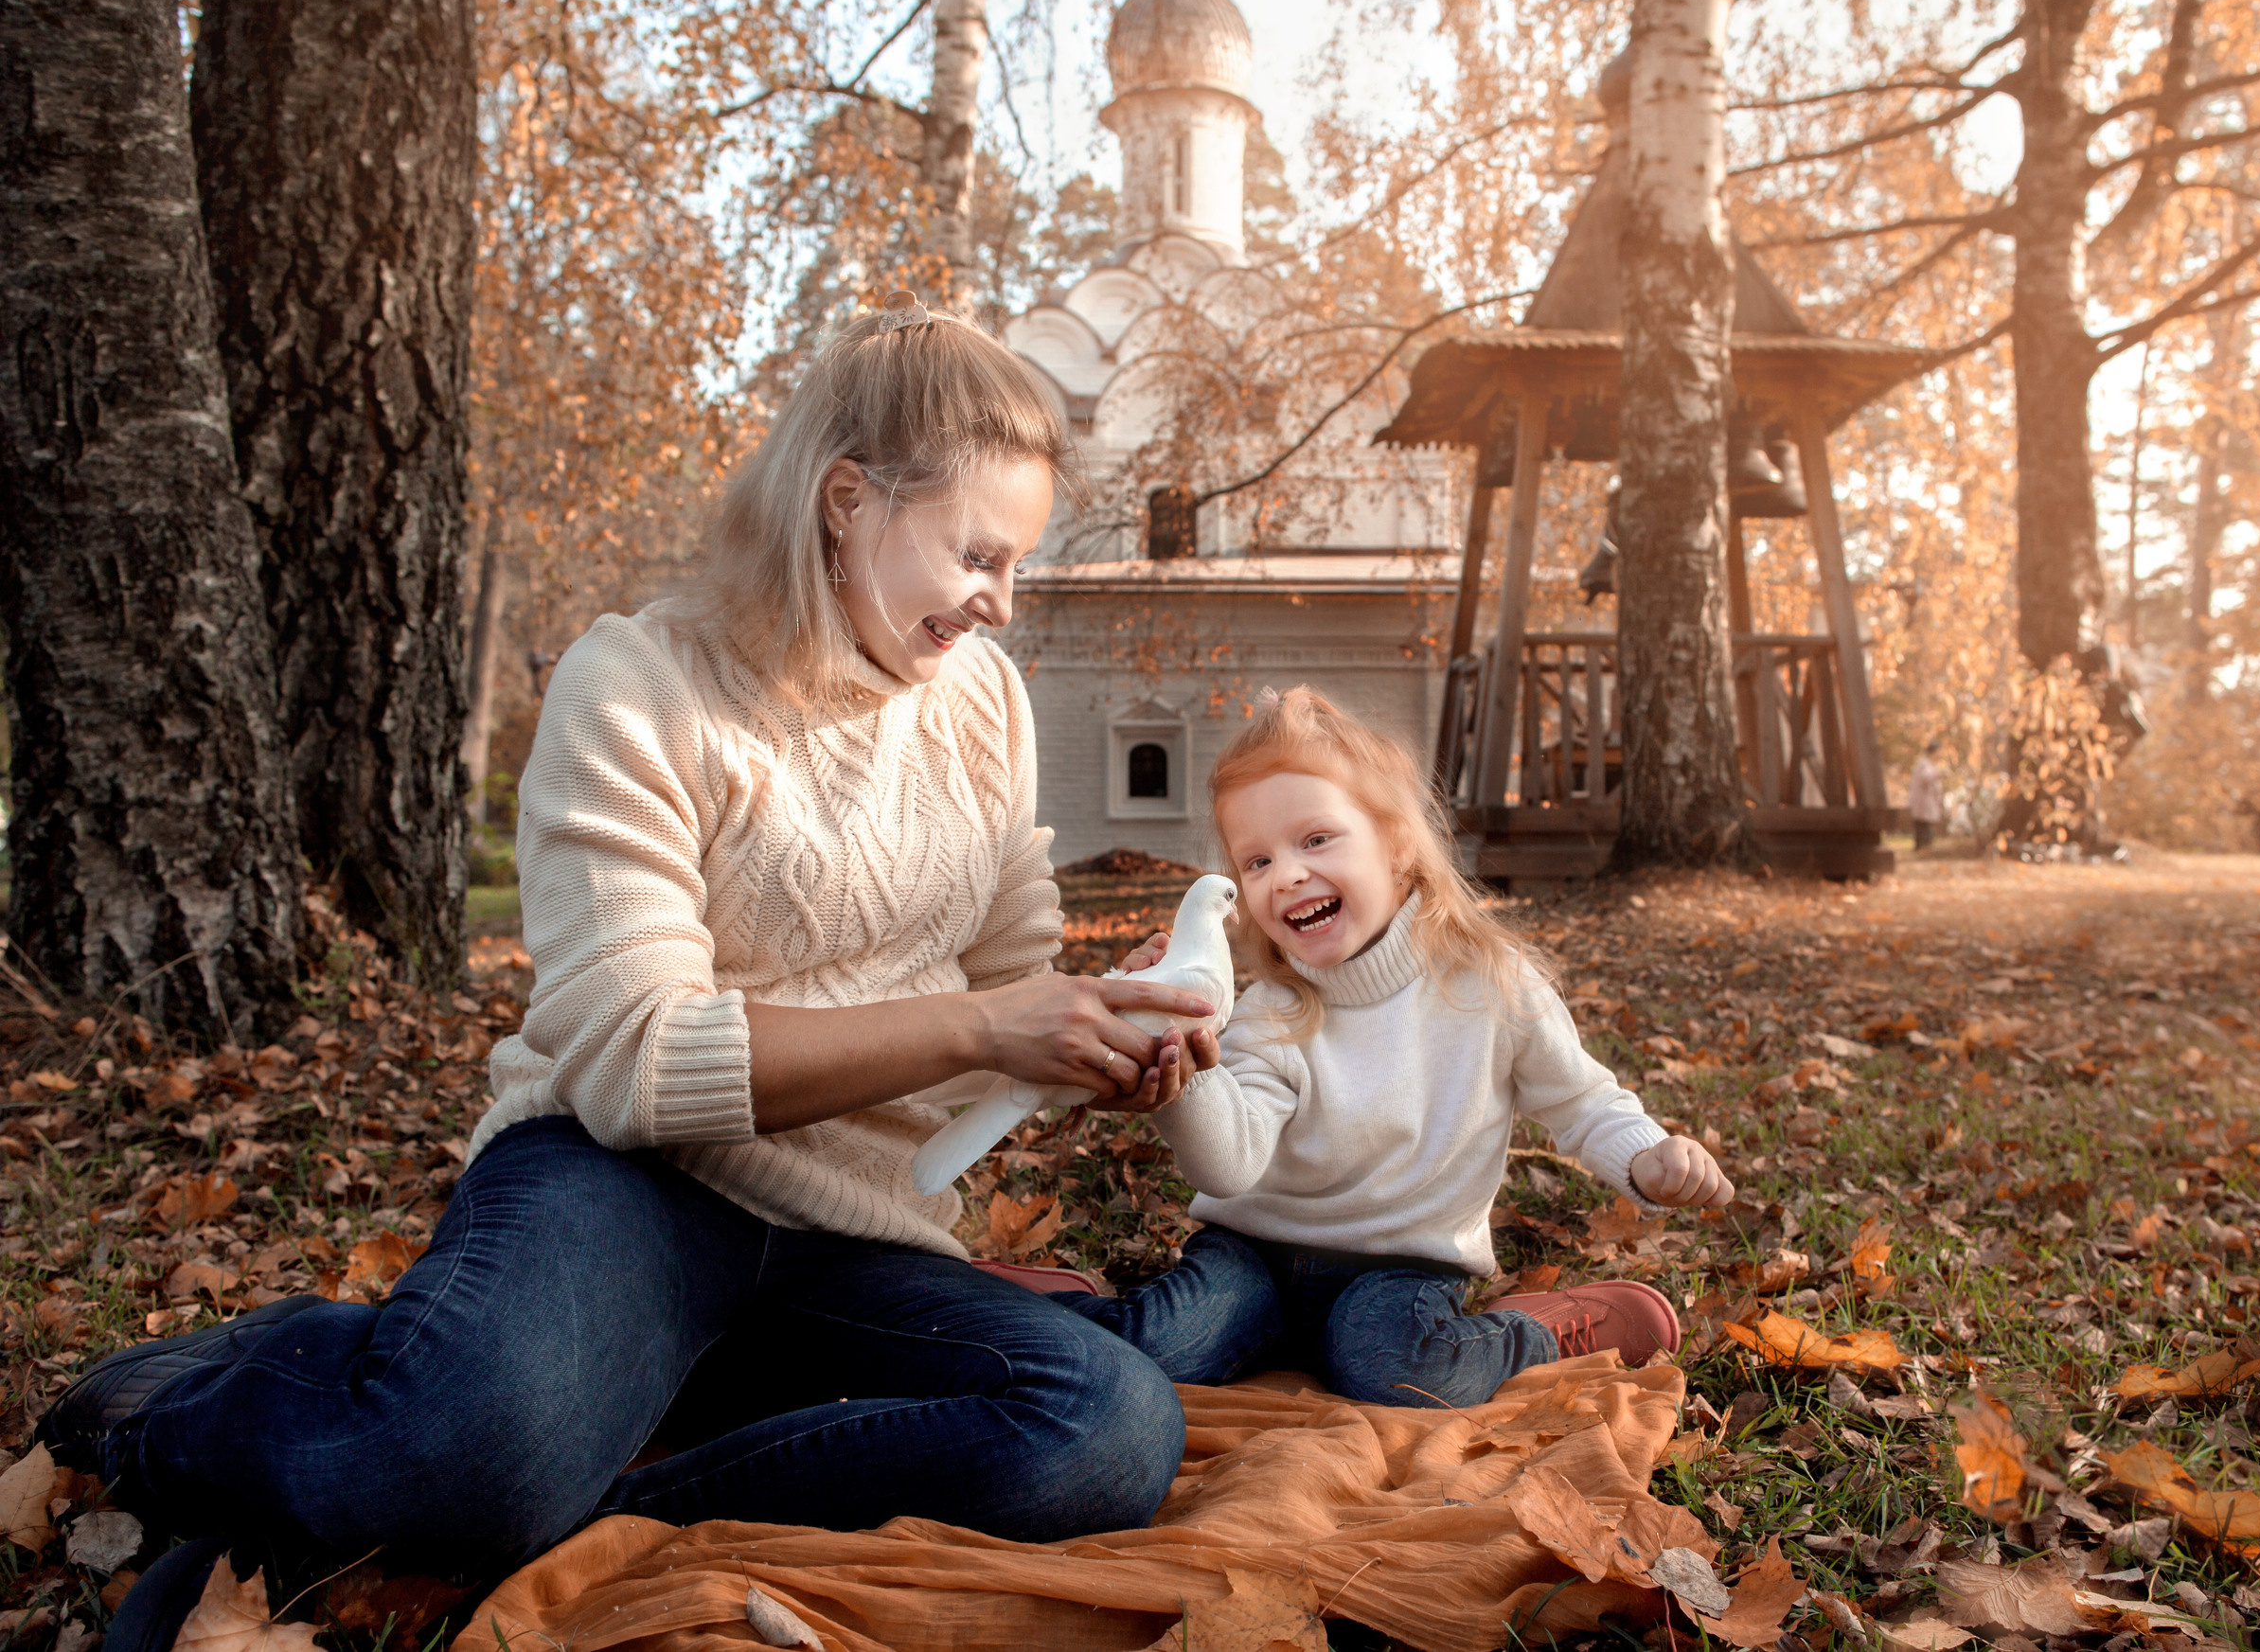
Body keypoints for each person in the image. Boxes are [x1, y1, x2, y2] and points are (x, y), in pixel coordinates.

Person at [38, 293, 1223, 1584]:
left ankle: (602, 1496)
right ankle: (185, 1405)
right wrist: (986, 1025)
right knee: (450, 1449)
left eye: (1017, 567)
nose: (1001, 604)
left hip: (858, 1232)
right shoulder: (636, 683)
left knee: (1107, 1428)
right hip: (623, 1189)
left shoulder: (982, 704)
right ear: (846, 500)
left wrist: (1096, 1042)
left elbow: (1011, 985)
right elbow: (637, 1062)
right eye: (979, 557)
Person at [1049, 688, 1735, 1408]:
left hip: (1403, 1270)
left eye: (1315, 840)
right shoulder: (1274, 1009)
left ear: (1398, 843)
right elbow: (1229, 1164)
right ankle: (1009, 1311)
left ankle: (1535, 1333)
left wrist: (1649, 1154)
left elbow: (1582, 1101)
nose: (1285, 873)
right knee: (1159, 1347)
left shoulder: (1491, 987)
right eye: (1256, 861)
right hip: (1252, 1255)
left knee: (1398, 1370)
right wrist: (1185, 1066)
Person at [1908, 740, 1947, 852]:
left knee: (1926, 823)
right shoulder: (1923, 763)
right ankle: (1922, 847)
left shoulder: (1930, 764)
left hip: (1927, 800)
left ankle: (1926, 846)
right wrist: (1939, 774)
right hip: (1922, 799)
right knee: (1922, 823)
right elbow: (1925, 778)